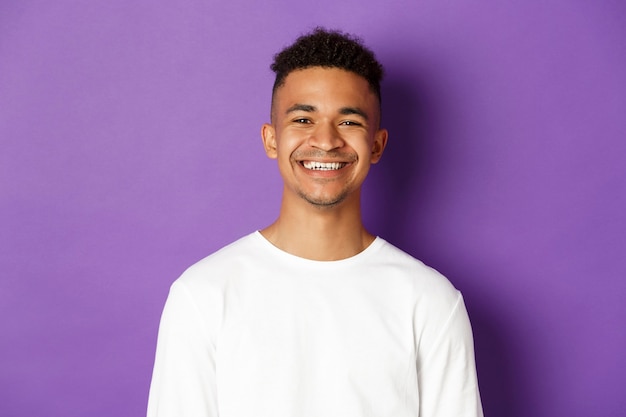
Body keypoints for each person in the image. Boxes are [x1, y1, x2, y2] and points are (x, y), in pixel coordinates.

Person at [147, 28, 483, 417]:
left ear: (376, 145)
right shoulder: (202, 295)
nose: (325, 141)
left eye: (349, 122)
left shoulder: (430, 302)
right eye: (304, 119)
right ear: (271, 140)